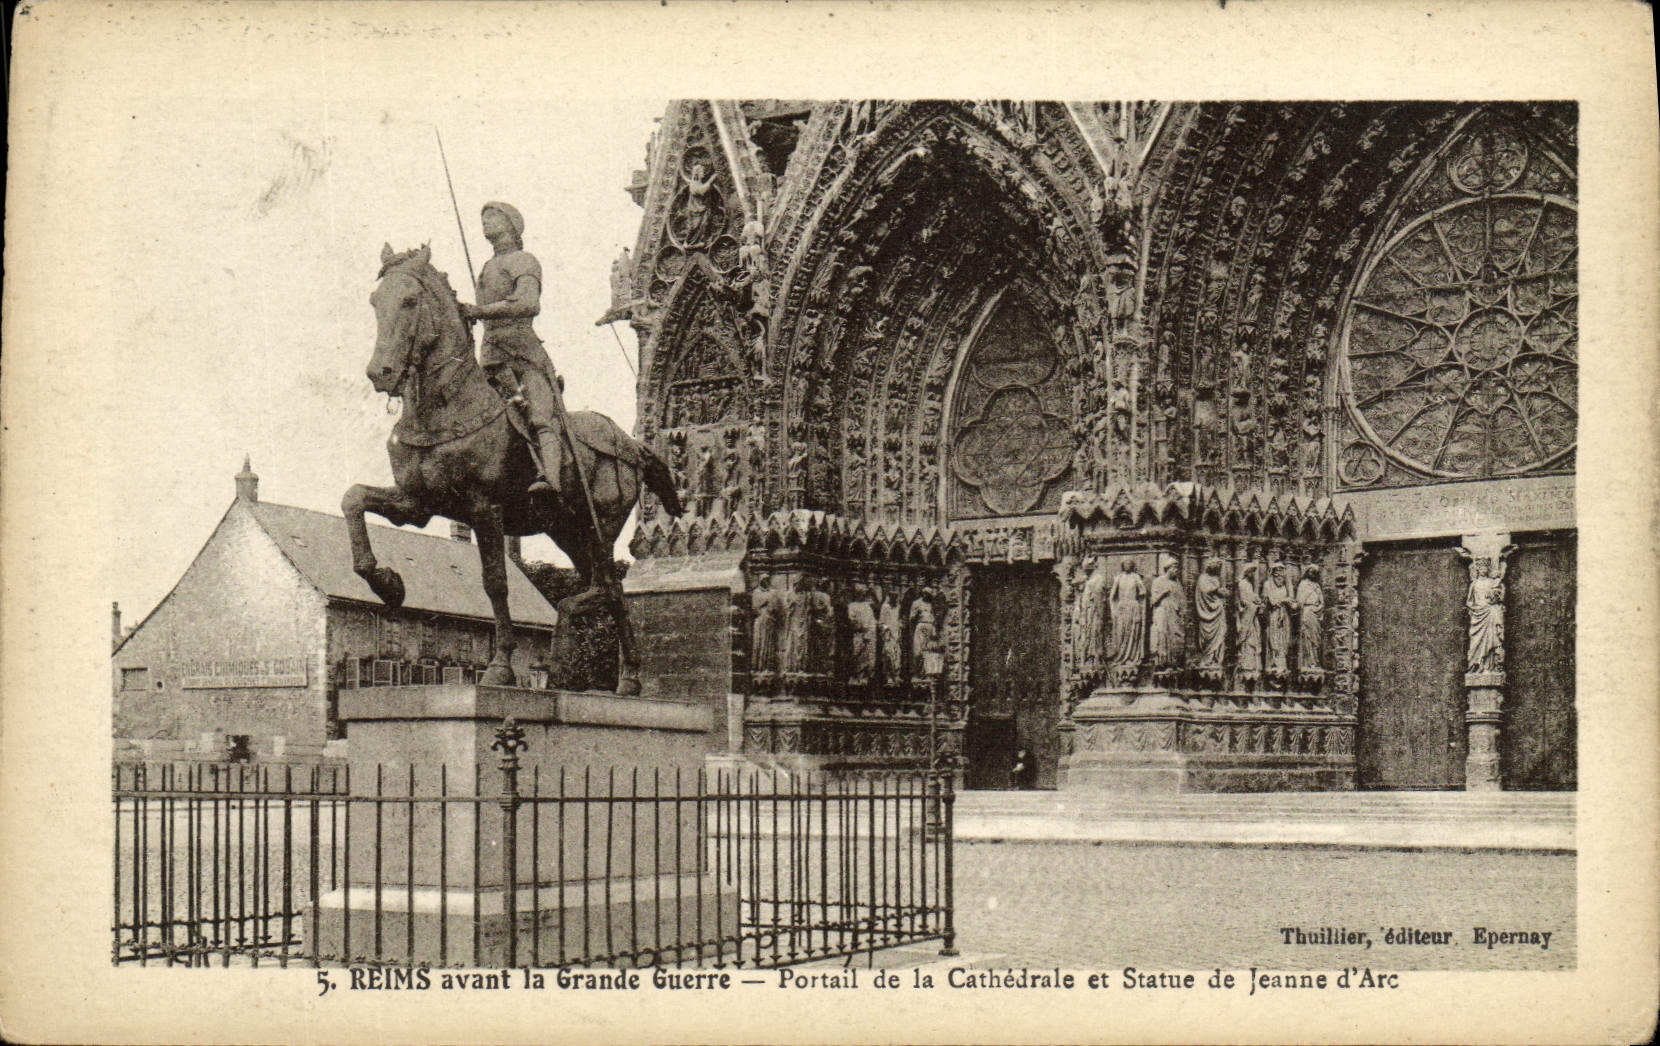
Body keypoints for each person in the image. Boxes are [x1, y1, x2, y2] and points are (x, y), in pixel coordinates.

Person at [459, 202, 565, 496]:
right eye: (483, 217)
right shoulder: (488, 266)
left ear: (511, 224)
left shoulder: (523, 260)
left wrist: (480, 311)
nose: (485, 222)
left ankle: (552, 482)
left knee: (540, 417)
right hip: (491, 354)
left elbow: (529, 303)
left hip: (522, 353)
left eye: (492, 216)